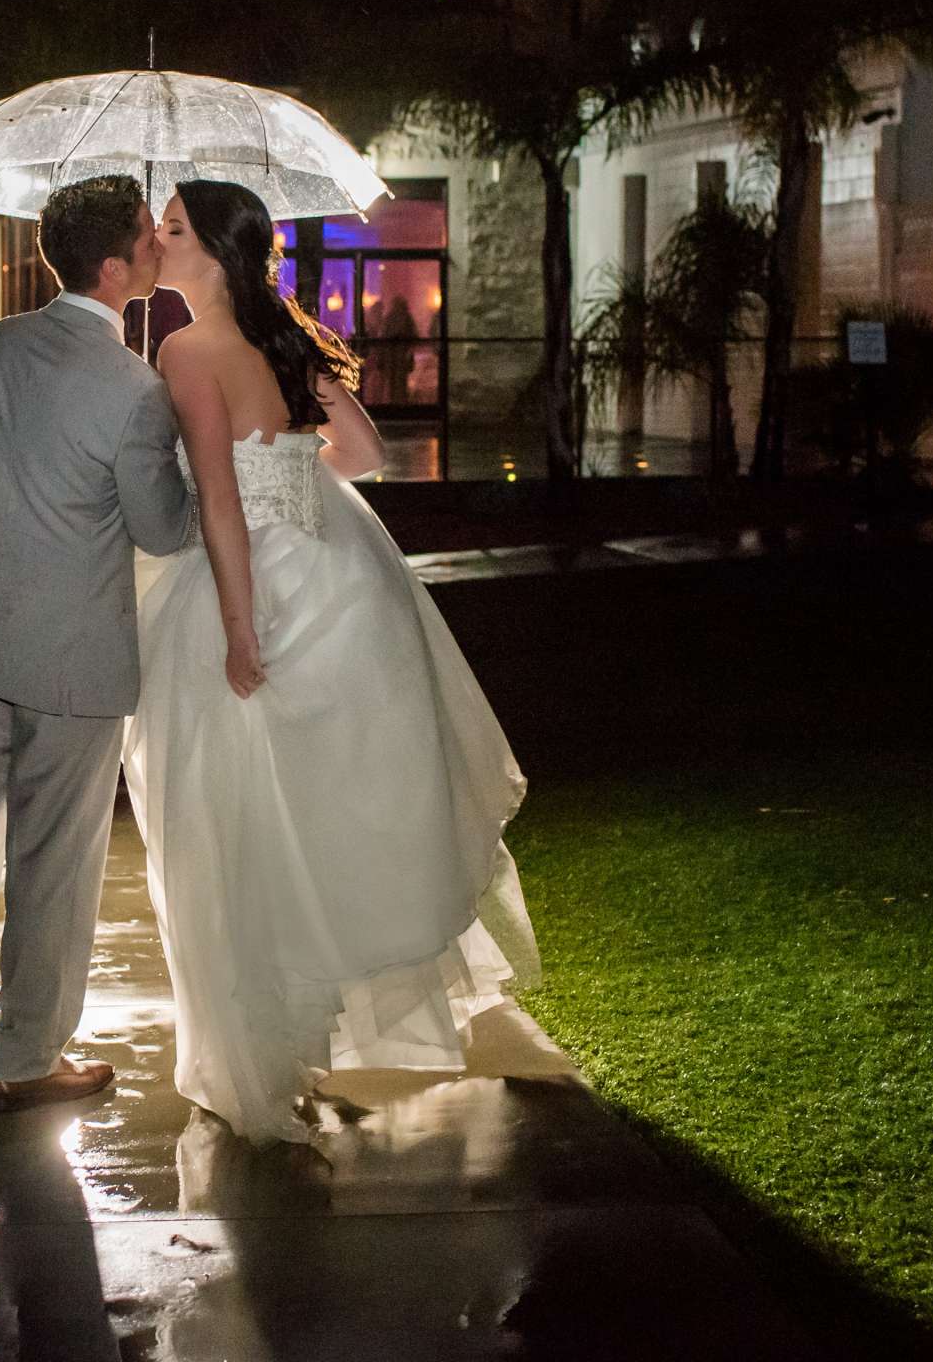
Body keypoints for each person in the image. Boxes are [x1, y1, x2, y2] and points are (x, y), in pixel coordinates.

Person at [126, 179, 540, 1144]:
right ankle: (300, 1029)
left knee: (228, 826)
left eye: (175, 228)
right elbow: (361, 455)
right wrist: (286, 471)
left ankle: (251, 1050)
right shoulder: (288, 340)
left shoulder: (186, 348)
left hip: (243, 589)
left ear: (217, 253)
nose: (159, 237)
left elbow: (219, 503)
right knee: (313, 814)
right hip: (337, 578)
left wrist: (237, 624)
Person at [0, 174, 198, 1113]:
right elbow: (159, 528)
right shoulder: (133, 385)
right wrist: (183, 462)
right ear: (113, 267)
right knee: (54, 862)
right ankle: (24, 1058)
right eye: (147, 236)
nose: (157, 246)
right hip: (74, 661)